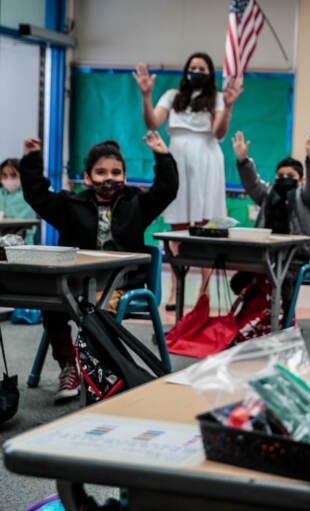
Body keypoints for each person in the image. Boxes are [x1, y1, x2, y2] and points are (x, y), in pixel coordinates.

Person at [19, 132, 178, 403]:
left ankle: (102, 370)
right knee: (53, 305)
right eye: (101, 172)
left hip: (118, 283)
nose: (109, 178)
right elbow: (37, 196)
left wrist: (162, 156)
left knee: (99, 309)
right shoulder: (71, 205)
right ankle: (69, 367)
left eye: (116, 172)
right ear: (88, 176)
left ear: (125, 177)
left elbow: (167, 189)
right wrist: (32, 160)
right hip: (75, 281)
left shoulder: (136, 204)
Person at [133, 52, 243, 310]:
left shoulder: (216, 98)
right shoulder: (172, 96)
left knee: (206, 227)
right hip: (178, 158)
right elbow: (152, 122)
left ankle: (204, 292)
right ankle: (176, 289)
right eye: (192, 67)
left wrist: (227, 107)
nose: (196, 71)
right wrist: (146, 95)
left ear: (209, 73)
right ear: (185, 71)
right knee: (177, 226)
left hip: (207, 158)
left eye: (202, 68)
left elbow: (219, 133)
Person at [228, 131, 310, 326]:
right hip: (266, 255)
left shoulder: (305, 197)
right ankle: (253, 317)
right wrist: (243, 160)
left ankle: (286, 322)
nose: (284, 178)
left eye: (290, 176)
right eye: (280, 175)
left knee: (283, 281)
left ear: (300, 180)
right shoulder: (267, 194)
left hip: (296, 257)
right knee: (241, 280)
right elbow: (252, 183)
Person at [0, 158, 37, 244]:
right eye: (4, 175)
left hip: (24, 242)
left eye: (13, 175)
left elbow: (48, 192)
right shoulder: (1, 193)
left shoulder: (30, 192)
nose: (8, 179)